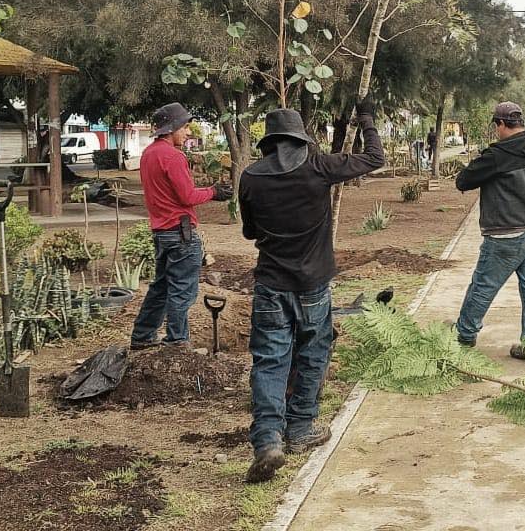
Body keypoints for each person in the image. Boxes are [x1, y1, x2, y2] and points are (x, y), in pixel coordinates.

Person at [239, 99, 384, 483]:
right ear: (301, 140)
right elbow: (374, 158)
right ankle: (301, 429)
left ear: (269, 142)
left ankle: (268, 439)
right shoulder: (319, 167)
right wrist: (365, 117)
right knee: (313, 352)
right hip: (313, 286)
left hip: (271, 284)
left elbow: (250, 231)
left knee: (270, 361)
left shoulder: (251, 177)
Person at [130, 103, 233, 350]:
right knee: (182, 292)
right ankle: (177, 341)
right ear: (173, 128)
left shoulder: (148, 154)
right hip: (181, 233)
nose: (188, 133)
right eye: (185, 127)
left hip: (161, 232)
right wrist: (214, 192)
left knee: (161, 288)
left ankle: (142, 337)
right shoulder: (173, 156)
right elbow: (187, 197)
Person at [453, 101, 525, 360]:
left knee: (483, 285)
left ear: (501, 124)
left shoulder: (497, 156)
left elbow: (463, 181)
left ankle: (463, 335)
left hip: (507, 234)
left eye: (496, 126)